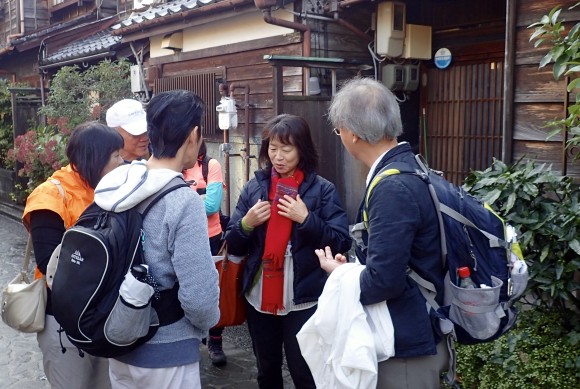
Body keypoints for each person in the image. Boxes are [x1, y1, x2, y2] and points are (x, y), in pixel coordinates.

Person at [316, 77, 450, 389]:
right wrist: (352, 268)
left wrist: (340, 276)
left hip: (405, 345)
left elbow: (384, 281)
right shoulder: (410, 167)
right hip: (416, 328)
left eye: (339, 130)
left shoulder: (392, 187)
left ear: (351, 133)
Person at [94, 90, 220, 389]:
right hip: (167, 349)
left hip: (119, 336)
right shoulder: (182, 201)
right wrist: (207, 323)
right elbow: (199, 299)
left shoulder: (118, 183)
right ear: (194, 135)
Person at [225, 113, 351, 389]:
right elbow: (233, 243)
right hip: (260, 297)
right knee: (266, 370)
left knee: (304, 370)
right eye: (272, 148)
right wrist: (247, 224)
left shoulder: (322, 190)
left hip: (303, 298)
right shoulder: (255, 187)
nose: (278, 157)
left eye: (286, 149)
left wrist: (306, 219)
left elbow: (341, 242)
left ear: (302, 149)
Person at [22, 122, 125, 389]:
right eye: (116, 155)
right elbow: (49, 265)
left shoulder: (109, 192)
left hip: (103, 317)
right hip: (63, 321)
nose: (122, 161)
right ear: (96, 157)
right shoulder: (51, 195)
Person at [183, 140, 228, 366]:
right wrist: (198, 198)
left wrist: (180, 204)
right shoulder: (174, 166)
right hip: (183, 236)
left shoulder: (211, 166)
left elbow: (212, 206)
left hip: (211, 237)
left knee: (213, 287)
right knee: (186, 286)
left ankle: (215, 340)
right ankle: (190, 336)